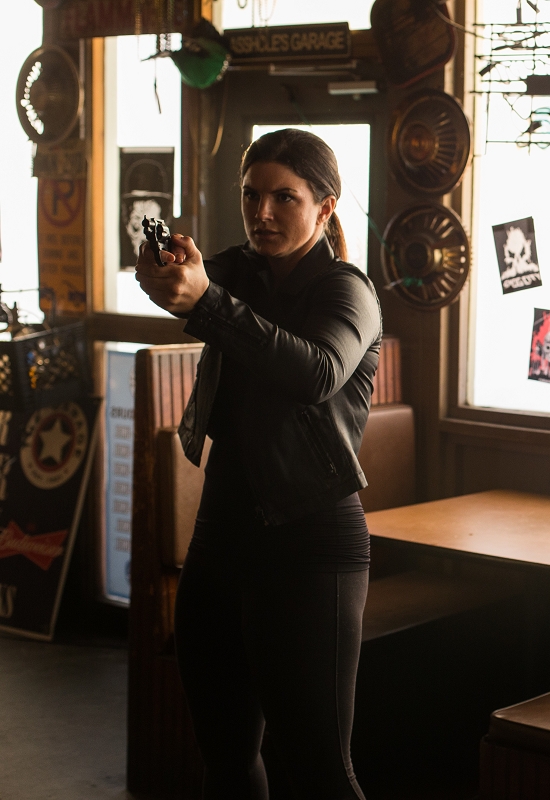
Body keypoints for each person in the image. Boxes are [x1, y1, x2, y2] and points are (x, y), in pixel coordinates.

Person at [135, 128, 382, 800]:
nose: (262, 212)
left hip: (311, 542)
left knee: (320, 770)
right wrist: (164, 269)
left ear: (325, 208)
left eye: (284, 198)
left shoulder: (346, 290)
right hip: (221, 533)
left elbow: (316, 372)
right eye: (251, 195)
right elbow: (189, 281)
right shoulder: (240, 270)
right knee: (225, 757)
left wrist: (206, 301)